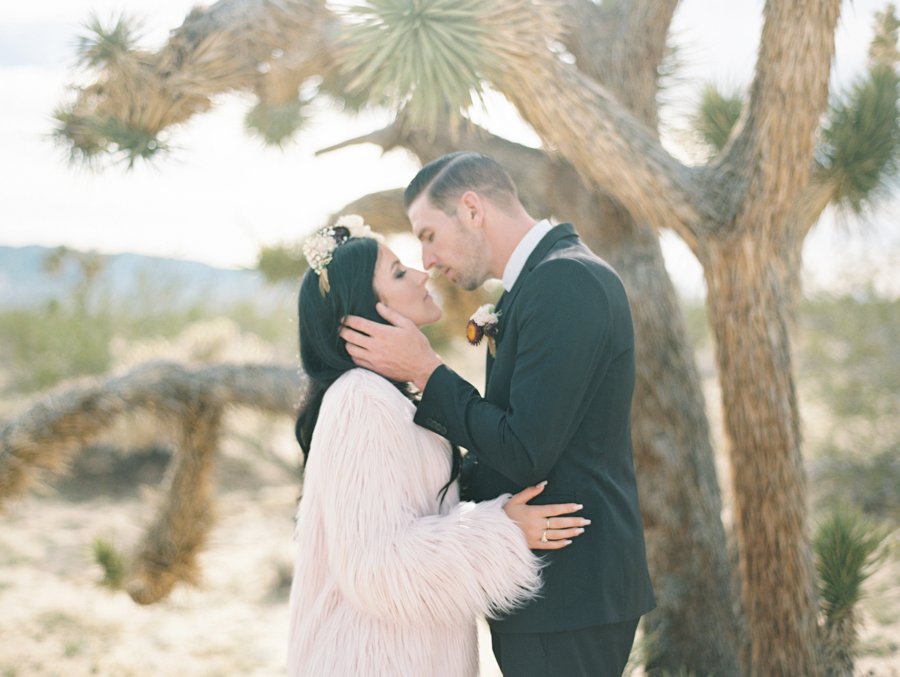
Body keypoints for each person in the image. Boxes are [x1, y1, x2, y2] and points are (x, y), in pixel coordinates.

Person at [340, 153, 656, 677]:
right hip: (548, 590)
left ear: (471, 209)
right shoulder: (535, 284)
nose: (428, 259)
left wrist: (426, 370)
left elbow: (525, 449)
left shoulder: (565, 282)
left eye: (428, 234)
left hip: (570, 591)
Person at [286, 214, 589, 677]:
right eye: (399, 273)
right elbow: (377, 566)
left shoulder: (387, 396)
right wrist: (504, 529)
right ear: (366, 312)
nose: (422, 272)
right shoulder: (361, 400)